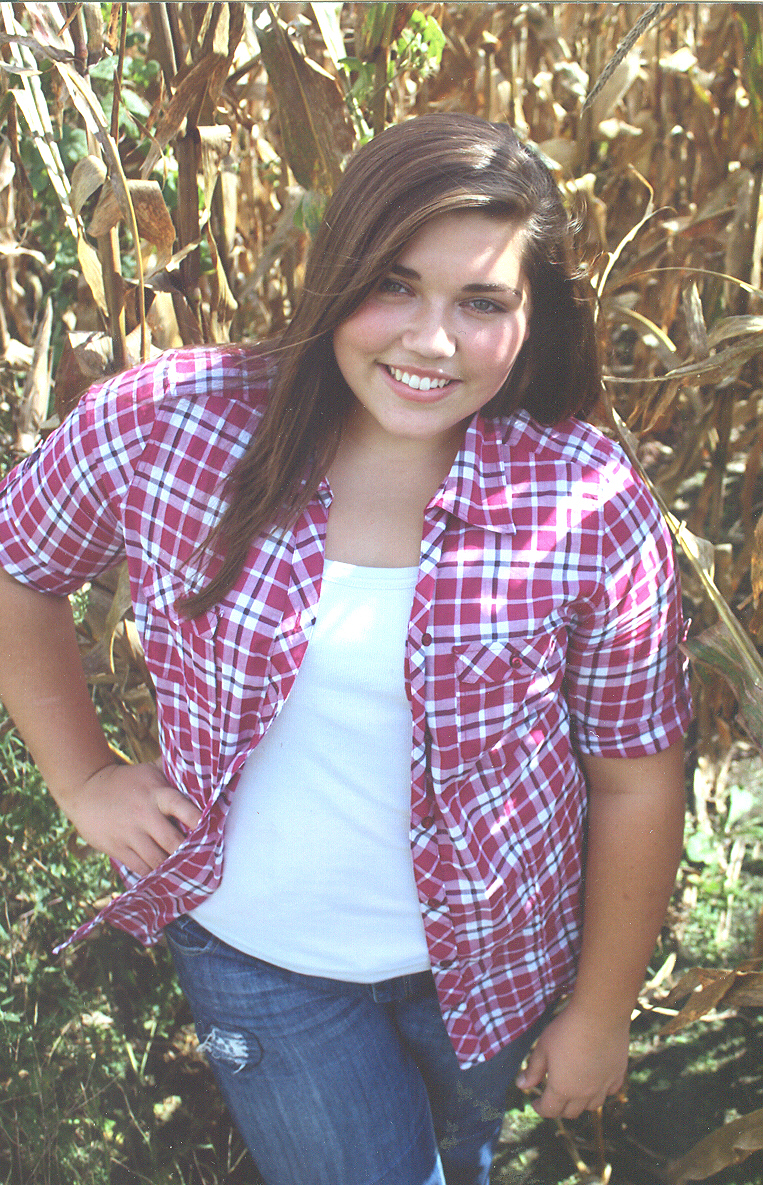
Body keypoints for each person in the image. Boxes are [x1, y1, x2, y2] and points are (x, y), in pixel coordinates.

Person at [0, 113, 690, 1185]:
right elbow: (20, 568)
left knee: (457, 1163)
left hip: (494, 968)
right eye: (393, 284)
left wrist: (600, 1013)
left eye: (481, 302)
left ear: (533, 315)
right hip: (260, 960)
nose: (430, 340)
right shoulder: (169, 423)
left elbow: (633, 776)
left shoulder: (587, 502)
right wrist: (83, 777)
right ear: (336, 273)